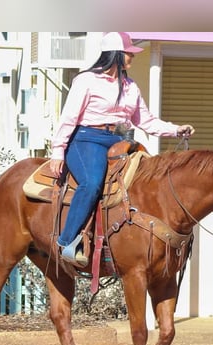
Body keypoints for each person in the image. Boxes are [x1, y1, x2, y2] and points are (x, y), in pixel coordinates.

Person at [49, 32, 195, 266]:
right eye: (128, 53)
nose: (132, 58)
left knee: (145, 181)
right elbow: (69, 117)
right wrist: (58, 151)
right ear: (115, 54)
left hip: (117, 139)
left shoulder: (130, 85)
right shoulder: (86, 80)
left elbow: (145, 121)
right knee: (92, 183)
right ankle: (66, 242)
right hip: (86, 138)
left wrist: (176, 129)